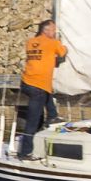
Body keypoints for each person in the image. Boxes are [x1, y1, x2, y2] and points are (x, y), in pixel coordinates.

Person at [16, 18, 67, 149]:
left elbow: (40, 55)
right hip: (38, 86)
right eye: (53, 30)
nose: (55, 32)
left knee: (46, 92)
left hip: (27, 82)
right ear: (47, 30)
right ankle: (25, 152)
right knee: (32, 123)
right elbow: (62, 52)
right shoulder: (52, 43)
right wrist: (63, 45)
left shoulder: (30, 42)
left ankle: (52, 115)